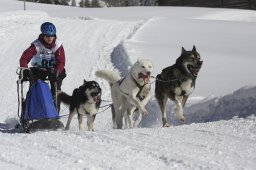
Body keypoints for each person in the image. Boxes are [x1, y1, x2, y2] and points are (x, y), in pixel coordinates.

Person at [19, 22, 66, 112]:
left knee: (56, 90)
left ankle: (54, 113)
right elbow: (24, 58)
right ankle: (31, 112)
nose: (50, 38)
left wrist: (56, 72)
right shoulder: (36, 45)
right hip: (39, 69)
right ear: (42, 35)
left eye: (52, 35)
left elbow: (61, 62)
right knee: (35, 88)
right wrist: (24, 69)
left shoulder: (58, 46)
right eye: (47, 36)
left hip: (54, 69)